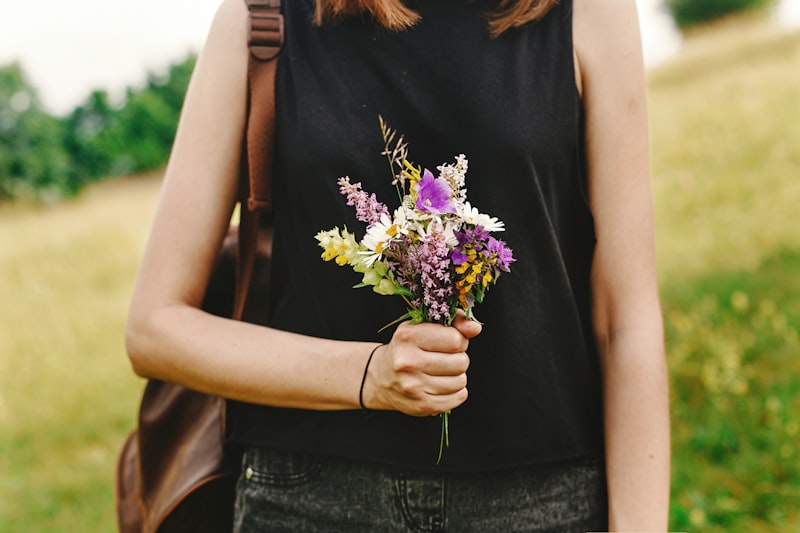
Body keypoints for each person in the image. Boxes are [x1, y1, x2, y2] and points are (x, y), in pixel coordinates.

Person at [126, 0, 671, 530]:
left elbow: (626, 320)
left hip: (544, 499)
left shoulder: (589, 12)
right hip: (307, 499)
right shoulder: (260, 21)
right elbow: (155, 327)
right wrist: (371, 375)